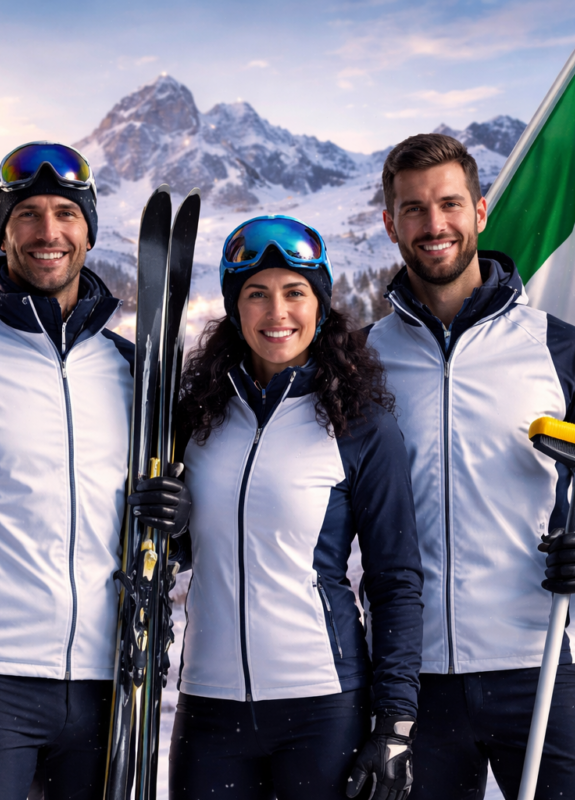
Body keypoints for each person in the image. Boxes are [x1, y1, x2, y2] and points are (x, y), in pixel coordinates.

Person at [0, 142, 188, 800]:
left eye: (66, 213)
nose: (47, 231)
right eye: (27, 214)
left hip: (109, 683)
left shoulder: (135, 371)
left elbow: (173, 534)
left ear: (89, 233)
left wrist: (181, 521)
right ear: (3, 231)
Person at [145, 215, 424, 800]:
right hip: (208, 707)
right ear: (234, 307)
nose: (277, 313)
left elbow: (395, 579)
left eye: (295, 292)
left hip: (322, 707)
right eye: (257, 294)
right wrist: (173, 531)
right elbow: (196, 550)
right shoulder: (198, 418)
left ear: (320, 305)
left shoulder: (361, 426)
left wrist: (395, 724)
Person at [367, 132, 575, 800]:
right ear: (390, 224)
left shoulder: (559, 350)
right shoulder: (362, 361)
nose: (434, 224)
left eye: (450, 204)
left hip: (542, 664)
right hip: (414, 681)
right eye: (414, 209)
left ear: (480, 212)